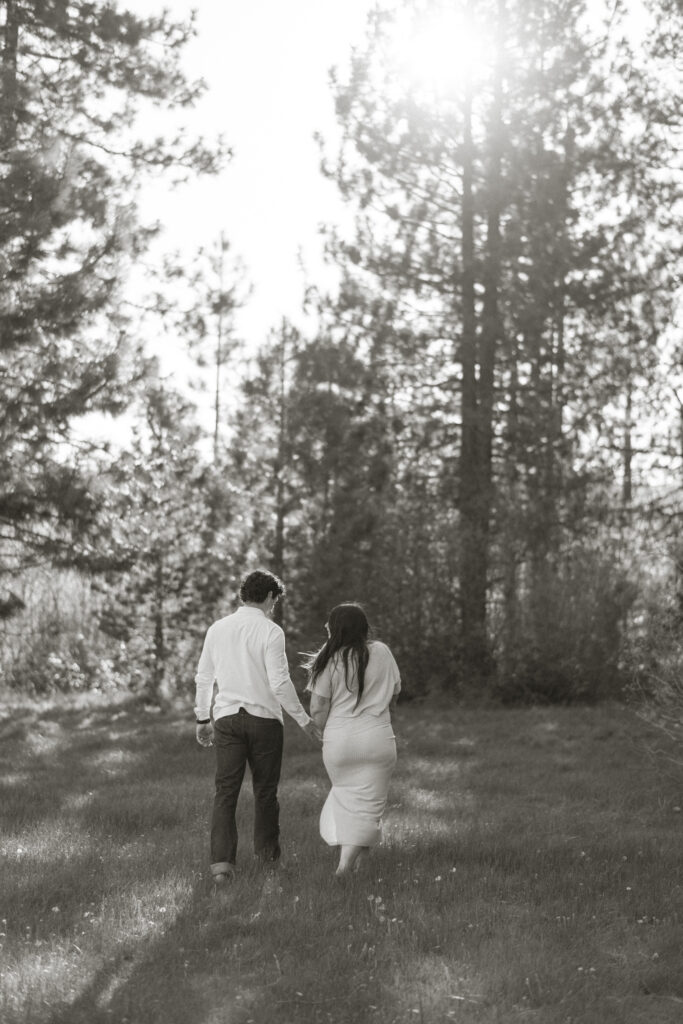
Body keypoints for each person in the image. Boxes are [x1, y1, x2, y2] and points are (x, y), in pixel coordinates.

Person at [194, 569, 322, 883]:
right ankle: (268, 863)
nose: (274, 606)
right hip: (264, 720)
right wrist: (304, 720)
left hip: (226, 719)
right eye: (275, 600)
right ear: (269, 597)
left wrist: (202, 717)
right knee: (265, 793)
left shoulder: (218, 628)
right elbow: (279, 683)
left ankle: (222, 867)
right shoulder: (270, 630)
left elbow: (204, 678)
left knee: (225, 792)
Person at [306, 603, 400, 875]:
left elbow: (318, 708)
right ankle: (345, 867)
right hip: (377, 737)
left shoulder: (330, 658)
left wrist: (320, 732)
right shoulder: (382, 651)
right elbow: (394, 694)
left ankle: (361, 869)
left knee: (350, 802)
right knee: (370, 807)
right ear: (363, 627)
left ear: (334, 629)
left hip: (340, 742)